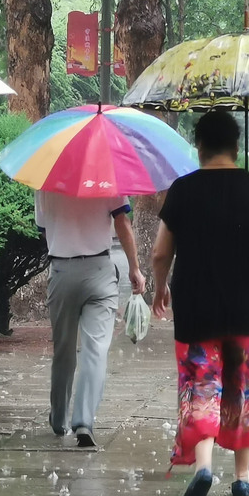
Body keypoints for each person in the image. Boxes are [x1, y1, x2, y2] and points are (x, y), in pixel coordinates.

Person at [150, 109, 249, 496]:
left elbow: (161, 252)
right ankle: (243, 479)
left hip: (195, 309)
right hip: (245, 310)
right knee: (240, 388)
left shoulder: (182, 189)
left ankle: (204, 466)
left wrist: (160, 290)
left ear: (199, 147)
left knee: (201, 385)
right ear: (235, 146)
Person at [36, 190, 147, 447]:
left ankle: (59, 418)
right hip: (100, 271)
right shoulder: (107, 176)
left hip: (62, 270)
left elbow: (44, 227)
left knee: (63, 349)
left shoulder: (45, 181)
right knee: (96, 349)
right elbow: (122, 222)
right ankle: (84, 421)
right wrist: (134, 267)